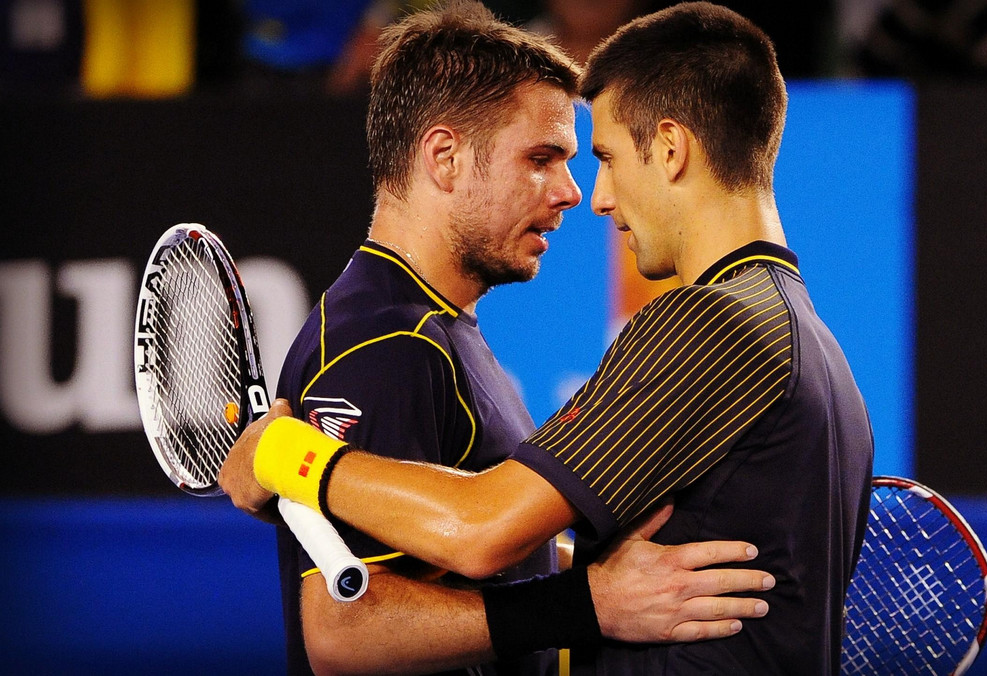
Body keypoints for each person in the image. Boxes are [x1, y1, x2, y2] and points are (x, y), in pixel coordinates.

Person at [222, 2, 874, 673]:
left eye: (603, 158)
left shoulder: (709, 323)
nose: (586, 195)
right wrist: (585, 595)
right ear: (443, 159)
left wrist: (280, 453)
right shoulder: (383, 344)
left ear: (672, 149)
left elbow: (483, 528)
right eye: (543, 158)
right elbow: (345, 627)